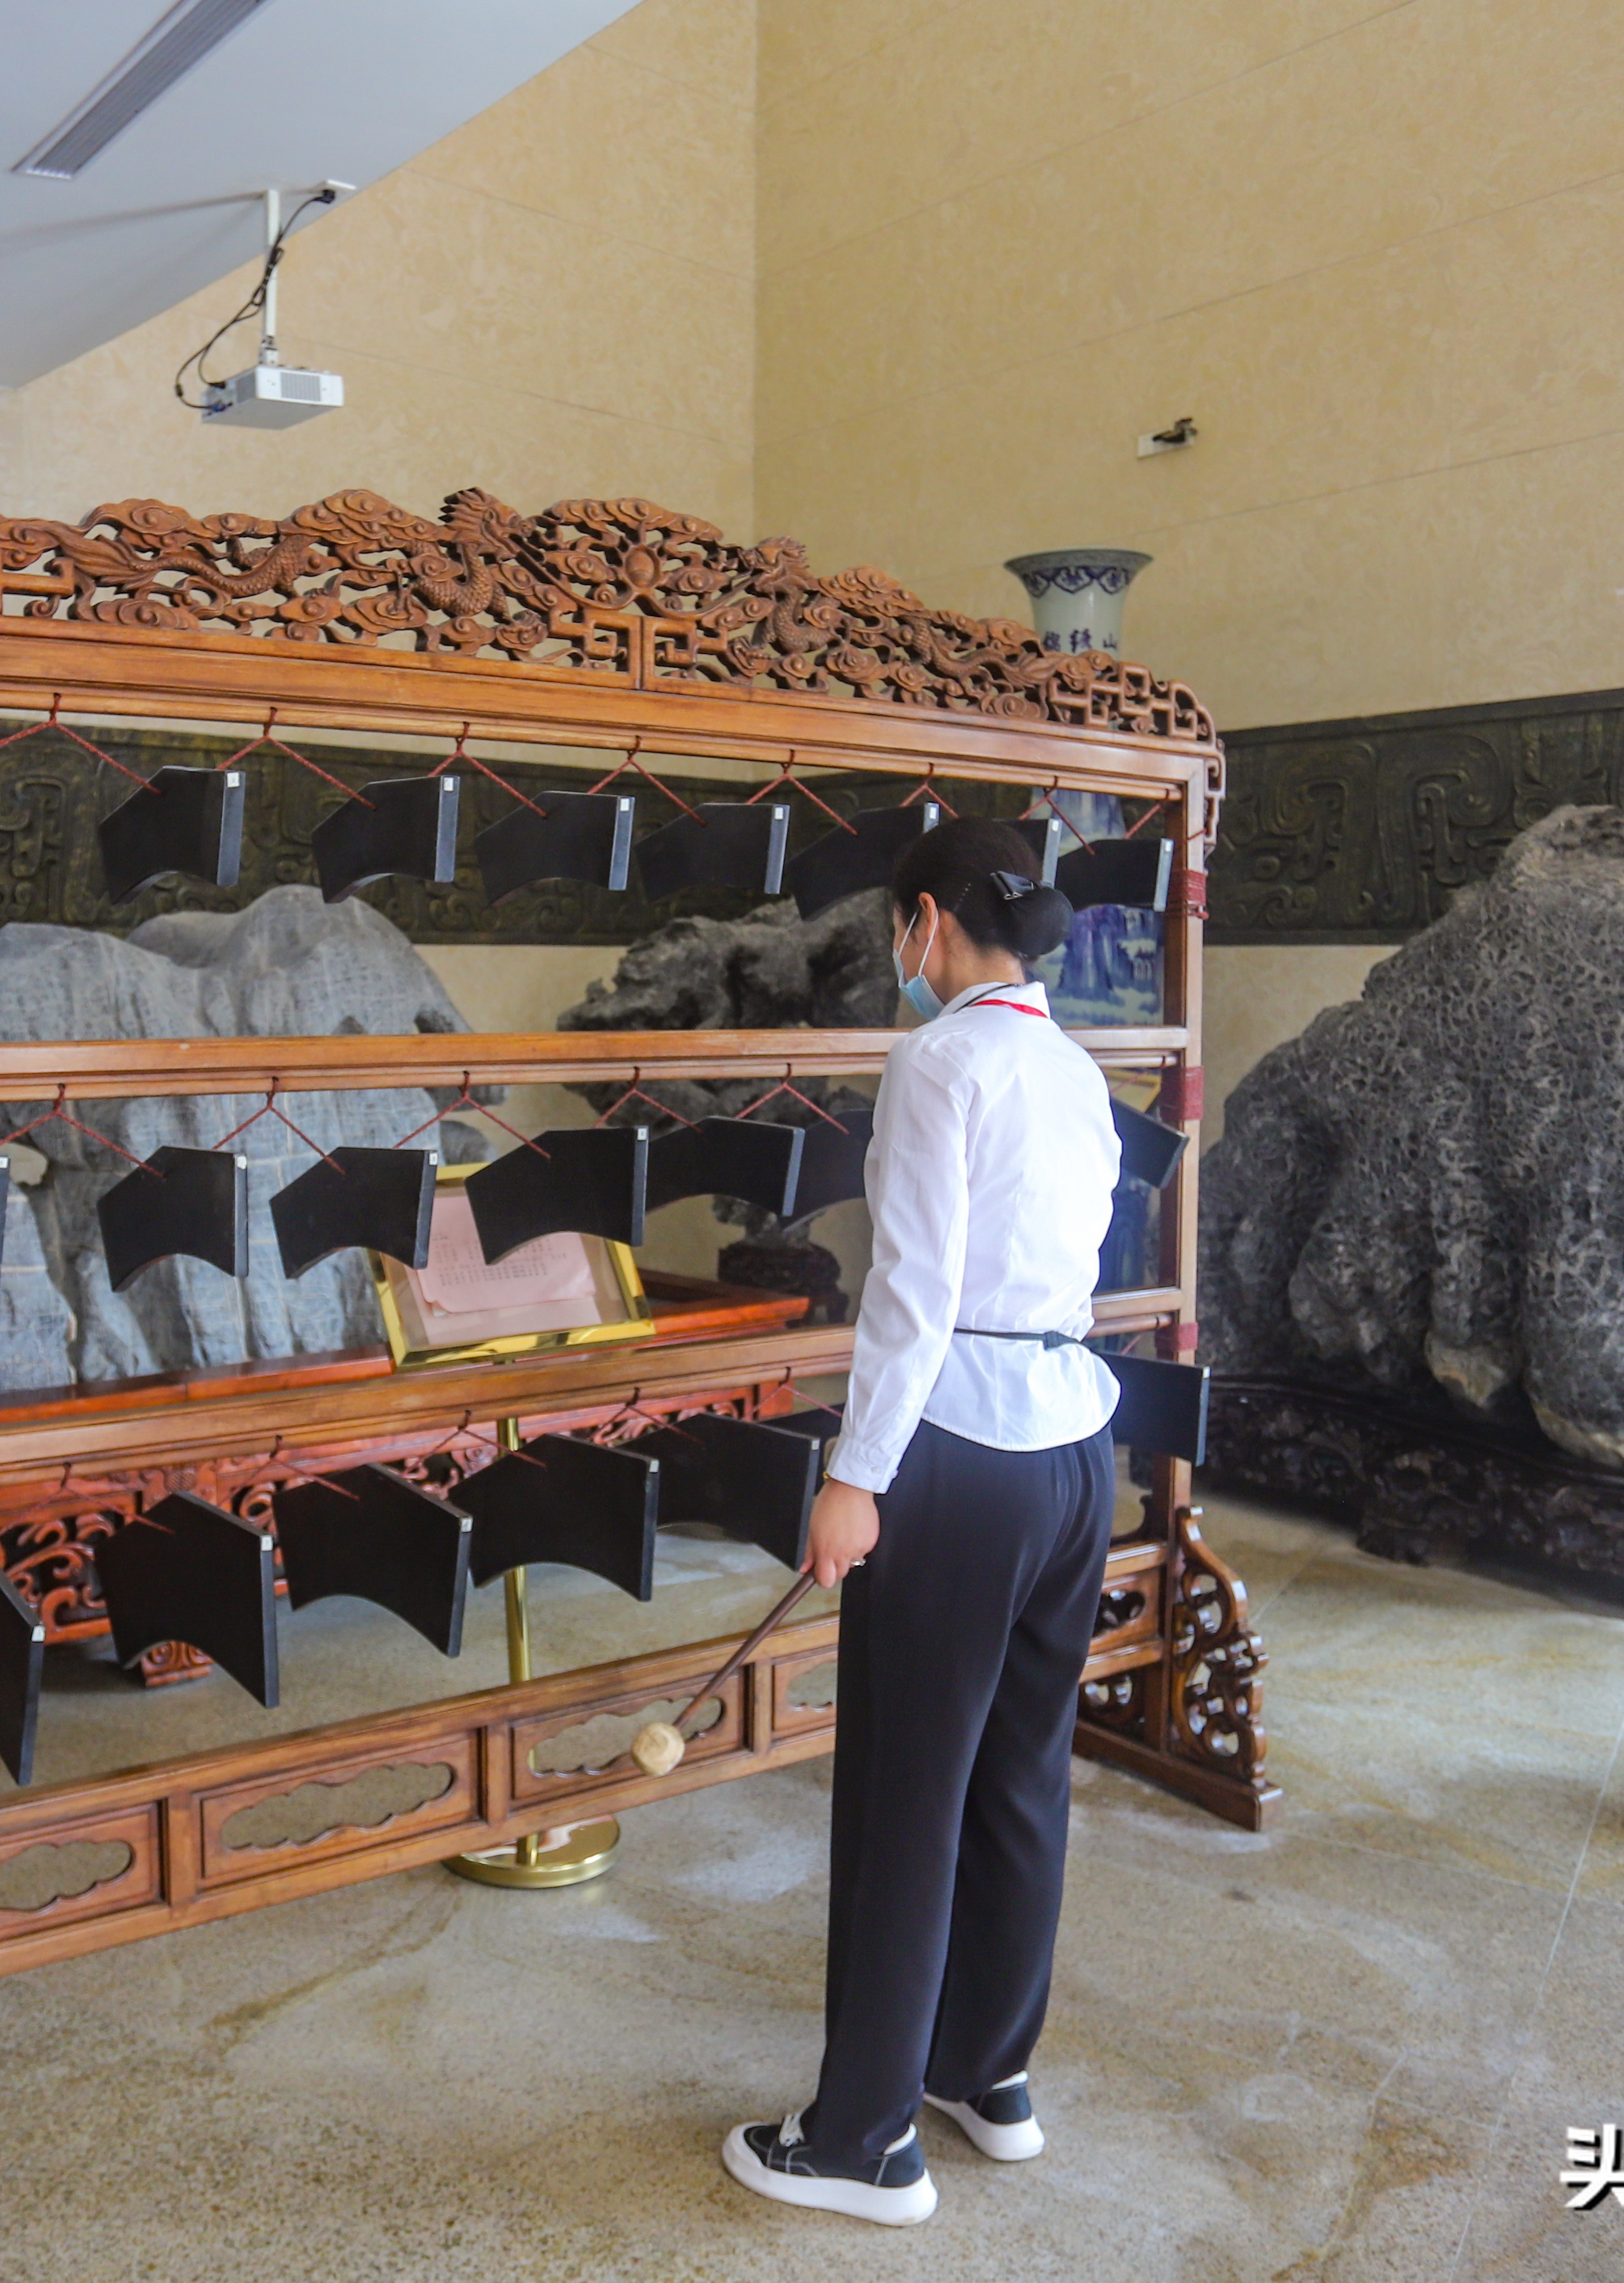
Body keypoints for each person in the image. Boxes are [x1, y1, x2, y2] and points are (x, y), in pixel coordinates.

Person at [720, 817, 1129, 2226]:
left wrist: (854, 1477)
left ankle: (862, 2143)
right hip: (1075, 1447)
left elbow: (910, 1294)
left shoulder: (942, 1057)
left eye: (902, 925)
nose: (900, 950)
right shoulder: (1074, 1066)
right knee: (1018, 1775)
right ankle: (986, 2076)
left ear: (928, 922)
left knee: (908, 1790)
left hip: (956, 1449)